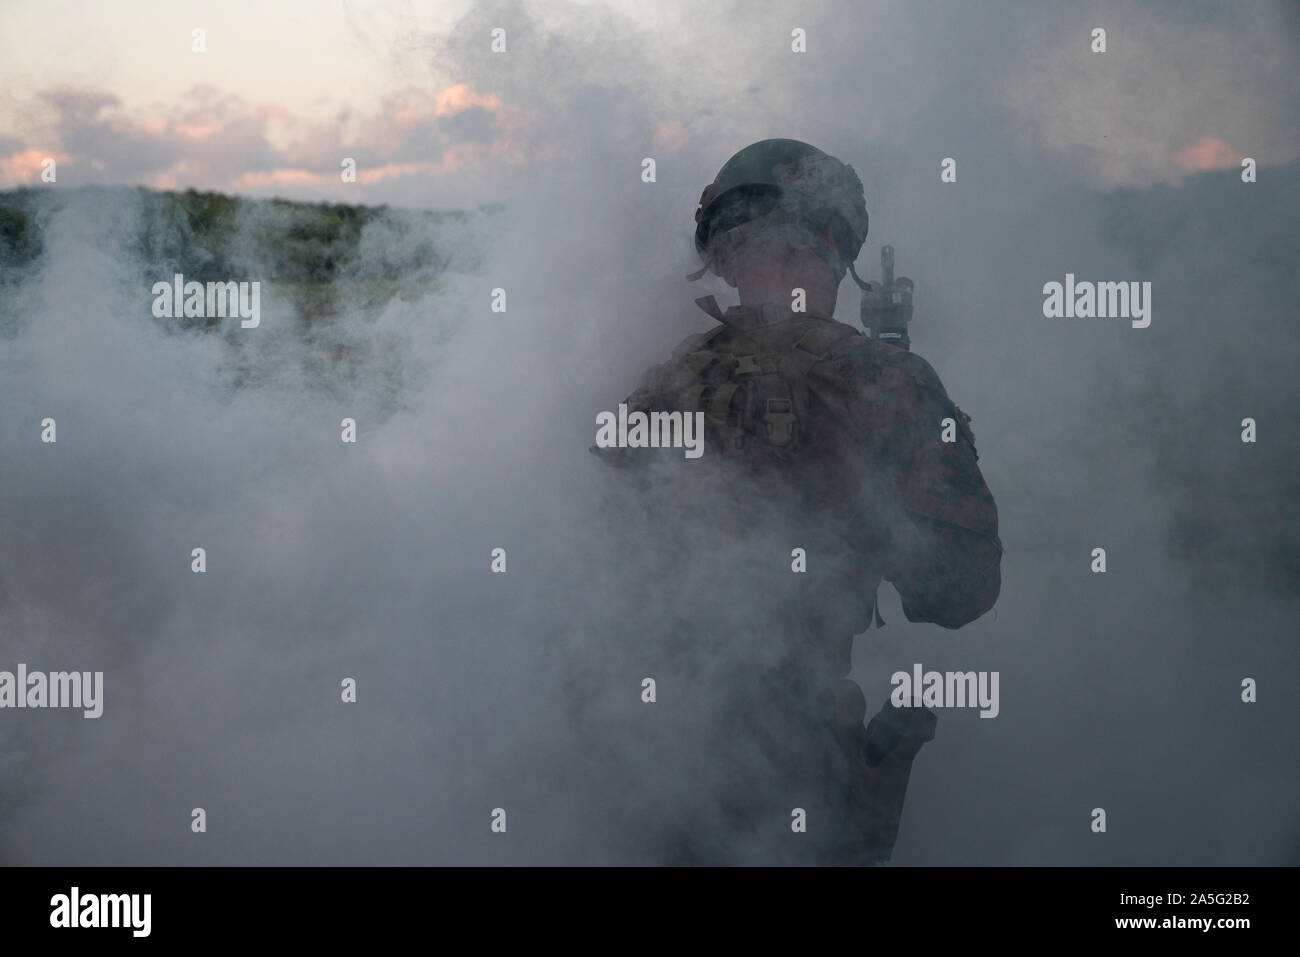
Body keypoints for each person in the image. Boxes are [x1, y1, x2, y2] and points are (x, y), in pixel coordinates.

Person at [588, 138, 1001, 864]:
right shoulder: (889, 382)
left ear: (722, 256)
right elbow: (958, 590)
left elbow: (601, 573)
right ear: (837, 242)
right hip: (802, 765)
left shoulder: (658, 387)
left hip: (654, 756)